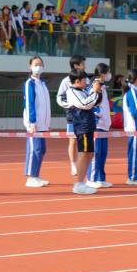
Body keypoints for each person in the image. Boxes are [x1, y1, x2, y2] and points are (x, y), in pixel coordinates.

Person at [61, 69, 102, 195]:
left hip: (88, 126)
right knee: (83, 154)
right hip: (82, 127)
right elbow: (85, 104)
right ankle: (79, 183)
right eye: (84, 79)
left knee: (89, 154)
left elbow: (95, 102)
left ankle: (82, 182)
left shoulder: (82, 90)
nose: (87, 82)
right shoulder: (72, 92)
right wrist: (94, 91)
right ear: (77, 81)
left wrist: (98, 91)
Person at [55, 55, 88, 178]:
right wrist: (69, 105)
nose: (84, 66)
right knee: (73, 140)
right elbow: (59, 97)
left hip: (85, 115)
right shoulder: (66, 81)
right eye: (82, 64)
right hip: (73, 115)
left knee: (84, 140)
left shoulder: (87, 79)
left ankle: (82, 164)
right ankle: (73, 164)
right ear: (76, 65)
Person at [22, 56, 51, 188]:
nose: (38, 67)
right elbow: (30, 103)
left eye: (40, 64)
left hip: (43, 124)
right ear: (30, 67)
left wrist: (47, 122)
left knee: (42, 150)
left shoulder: (43, 83)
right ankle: (30, 178)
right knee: (35, 150)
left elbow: (45, 105)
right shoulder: (30, 83)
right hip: (34, 124)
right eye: (35, 64)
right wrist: (32, 122)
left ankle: (36, 175)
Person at [87, 63, 115, 189]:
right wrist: (98, 117)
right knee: (96, 153)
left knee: (103, 153)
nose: (109, 75)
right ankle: (91, 178)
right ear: (102, 73)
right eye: (108, 72)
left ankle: (100, 178)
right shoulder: (95, 85)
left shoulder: (103, 87)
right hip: (97, 126)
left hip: (104, 126)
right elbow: (92, 104)